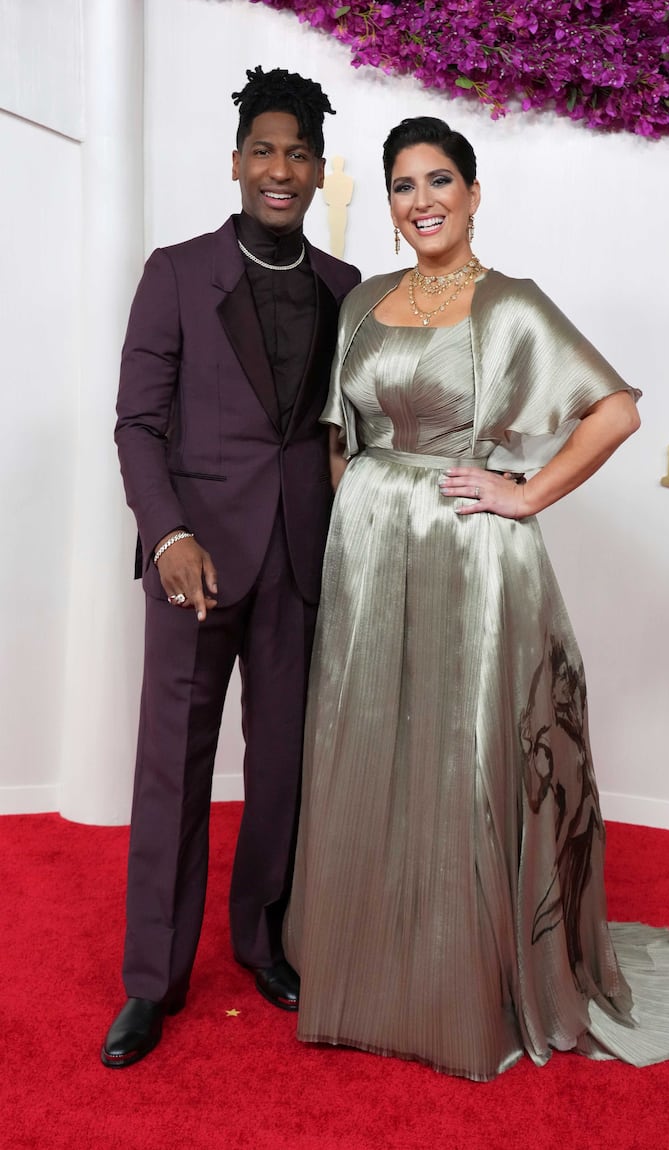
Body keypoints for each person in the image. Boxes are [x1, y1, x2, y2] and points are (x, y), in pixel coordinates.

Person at [283, 116, 669, 1081]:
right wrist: (362, 523)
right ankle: (368, 969)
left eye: (440, 180)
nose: (421, 200)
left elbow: (616, 410)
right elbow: (337, 436)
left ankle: (464, 980)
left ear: (475, 194)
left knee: (466, 751)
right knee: (371, 746)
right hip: (367, 553)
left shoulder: (512, 305)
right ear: (391, 206)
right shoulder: (362, 301)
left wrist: (523, 492)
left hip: (470, 553)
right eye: (403, 185)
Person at [101, 67, 360, 1069]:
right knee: (172, 771)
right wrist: (167, 536)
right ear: (237, 162)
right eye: (265, 150)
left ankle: (263, 941)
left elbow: (356, 431)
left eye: (299, 153)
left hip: (302, 558)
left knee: (284, 769)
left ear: (316, 169)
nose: (281, 168)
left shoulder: (346, 290)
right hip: (193, 563)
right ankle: (150, 982)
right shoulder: (173, 272)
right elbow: (136, 423)